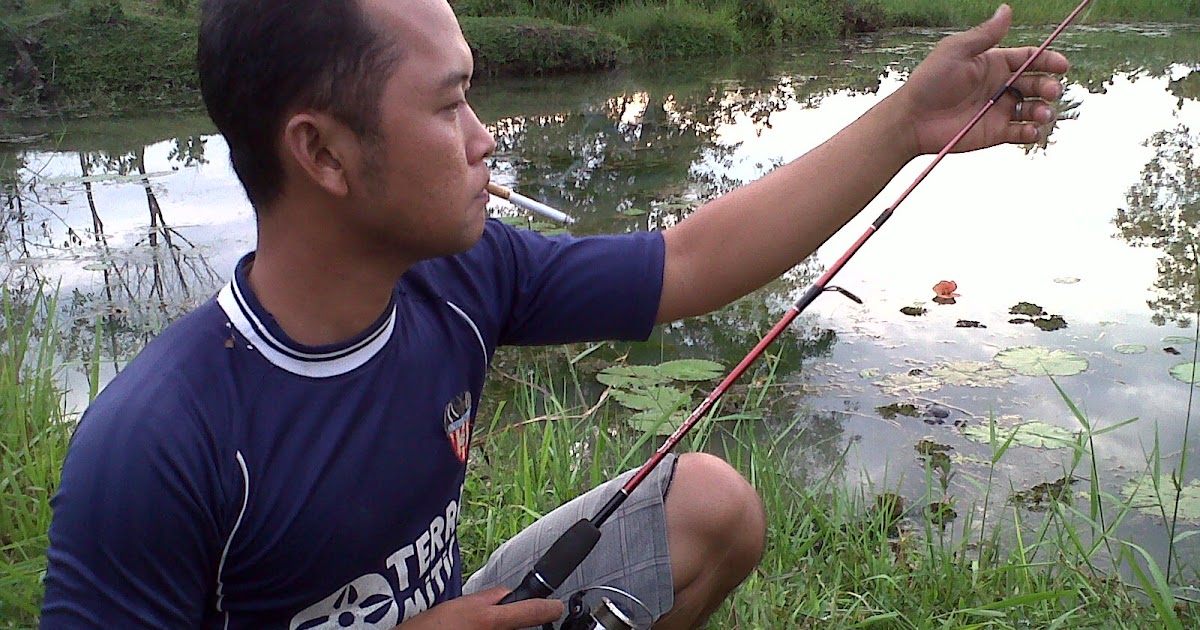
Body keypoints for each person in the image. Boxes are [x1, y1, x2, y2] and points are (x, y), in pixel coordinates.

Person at [38, 1, 1069, 628]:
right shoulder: (157, 444)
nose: (484, 137)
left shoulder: (462, 276)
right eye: (448, 104)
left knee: (711, 506)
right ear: (322, 153)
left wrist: (907, 122)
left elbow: (691, 260)